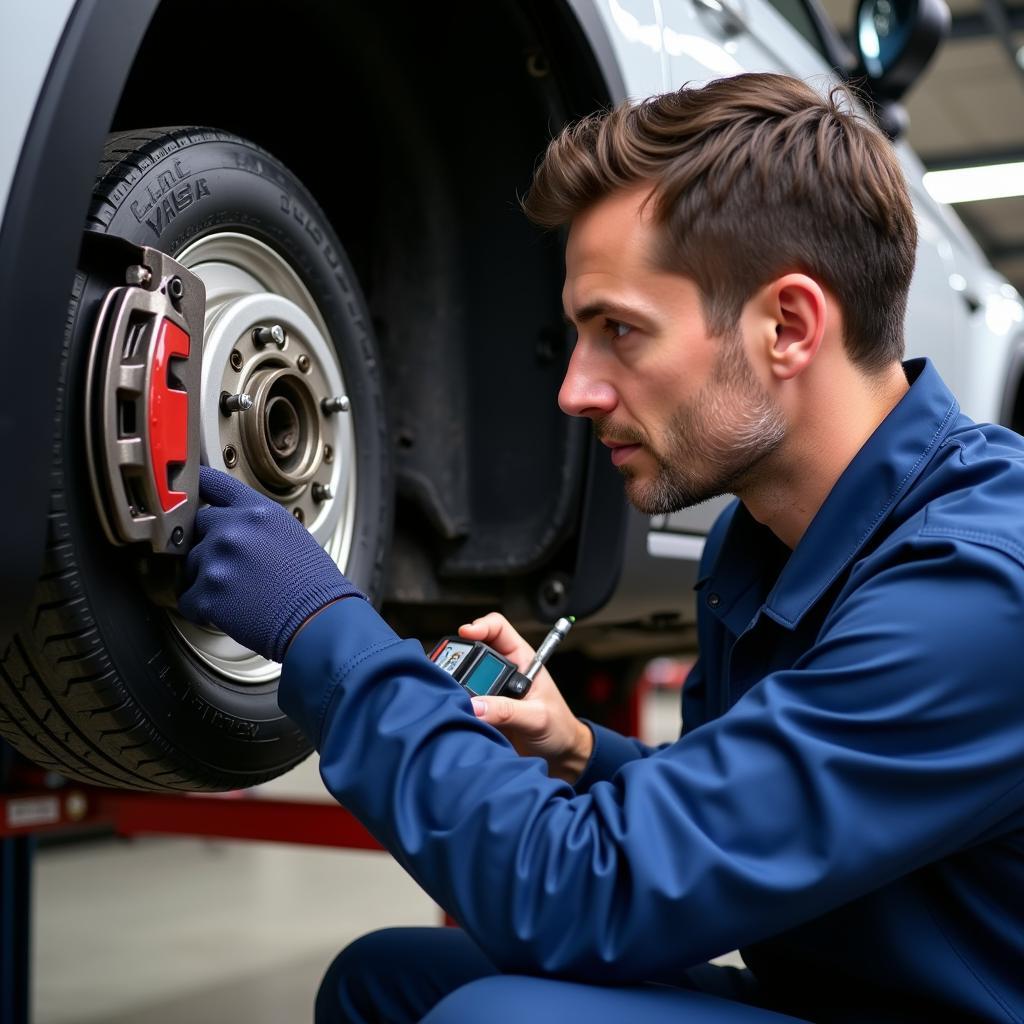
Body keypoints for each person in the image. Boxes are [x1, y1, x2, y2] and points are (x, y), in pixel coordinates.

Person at [179, 72, 1024, 1023]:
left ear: (788, 326)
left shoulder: (977, 591)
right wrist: (584, 752)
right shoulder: (757, 544)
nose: (574, 390)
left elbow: (577, 895)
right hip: (853, 993)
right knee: (388, 981)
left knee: (492, 1020)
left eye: (619, 331)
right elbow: (762, 817)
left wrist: (321, 624)